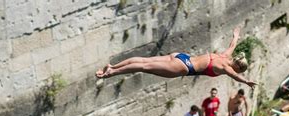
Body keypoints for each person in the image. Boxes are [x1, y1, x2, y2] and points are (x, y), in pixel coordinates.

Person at [96, 27, 257, 88]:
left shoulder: (225, 56)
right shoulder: (225, 68)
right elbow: (235, 76)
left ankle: (113, 66)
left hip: (182, 57)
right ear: (237, 67)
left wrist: (236, 34)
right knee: (143, 67)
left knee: (143, 60)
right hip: (183, 68)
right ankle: (111, 73)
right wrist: (246, 81)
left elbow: (233, 44)